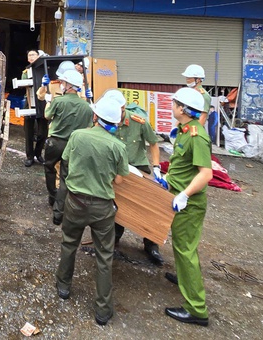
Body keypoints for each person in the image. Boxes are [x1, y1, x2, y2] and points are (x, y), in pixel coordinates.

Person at [54, 91, 129, 326]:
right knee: (104, 256)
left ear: (95, 116)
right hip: (102, 208)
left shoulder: (77, 136)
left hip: (75, 202)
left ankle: (63, 287)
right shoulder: (118, 146)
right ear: (116, 122)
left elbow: (66, 161)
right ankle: (102, 311)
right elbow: (119, 181)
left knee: (69, 244)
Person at [162, 86, 213, 327]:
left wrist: (183, 194)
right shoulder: (184, 131)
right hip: (178, 197)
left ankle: (197, 309)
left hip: (188, 203)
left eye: (174, 103)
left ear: (182, 109)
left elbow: (206, 174)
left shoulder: (197, 136)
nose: (172, 105)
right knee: (182, 248)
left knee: (185, 251)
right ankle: (184, 278)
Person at [106, 90, 166, 266]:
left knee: (148, 206)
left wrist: (156, 168)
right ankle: (114, 238)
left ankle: (151, 243)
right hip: (117, 168)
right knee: (116, 205)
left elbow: (153, 143)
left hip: (138, 167)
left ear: (123, 108)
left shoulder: (138, 122)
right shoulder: (107, 120)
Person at [45, 69, 94, 214]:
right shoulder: (87, 106)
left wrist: (48, 102)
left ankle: (52, 196)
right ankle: (60, 206)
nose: (61, 84)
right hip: (74, 145)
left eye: (63, 82)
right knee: (66, 176)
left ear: (69, 85)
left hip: (55, 143)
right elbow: (89, 126)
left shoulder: (58, 101)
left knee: (49, 168)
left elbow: (47, 116)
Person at [21, 50, 47, 167]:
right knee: (29, 132)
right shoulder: (26, 72)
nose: (31, 57)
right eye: (29, 55)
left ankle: (38, 153)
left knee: (43, 132)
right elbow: (22, 84)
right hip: (30, 101)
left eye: (33, 55)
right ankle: (30, 157)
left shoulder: (45, 69)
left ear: (38, 56)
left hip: (43, 102)